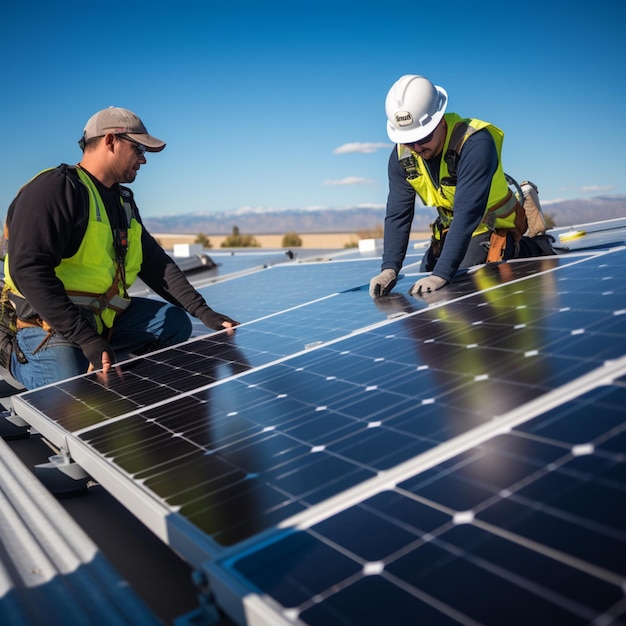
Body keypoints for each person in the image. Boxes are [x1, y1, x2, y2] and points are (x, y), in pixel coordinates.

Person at [3, 106, 239, 390]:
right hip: (49, 320)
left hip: (103, 318)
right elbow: (28, 268)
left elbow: (155, 263)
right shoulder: (56, 189)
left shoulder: (122, 200)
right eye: (138, 149)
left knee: (176, 323)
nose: (143, 160)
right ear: (110, 141)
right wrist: (86, 338)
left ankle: (125, 386)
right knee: (71, 395)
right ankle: (15, 357)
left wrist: (203, 312)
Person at [370, 75, 554, 299]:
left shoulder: (475, 142)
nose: (416, 147)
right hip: (452, 229)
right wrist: (389, 268)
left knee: (455, 281)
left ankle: (534, 246)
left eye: (423, 137)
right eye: (409, 140)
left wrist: (442, 273)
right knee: (424, 280)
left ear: (440, 120)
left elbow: (468, 212)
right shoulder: (403, 156)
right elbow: (398, 214)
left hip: (493, 226)